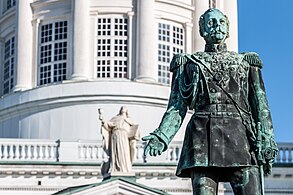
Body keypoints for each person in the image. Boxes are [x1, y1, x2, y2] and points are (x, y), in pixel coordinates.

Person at [142, 8, 278, 195]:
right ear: (202, 30)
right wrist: (162, 137)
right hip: (202, 137)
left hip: (240, 135)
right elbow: (177, 106)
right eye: (211, 23)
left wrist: (267, 141)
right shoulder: (189, 64)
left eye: (222, 23)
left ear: (228, 29)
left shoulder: (246, 63)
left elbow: (261, 106)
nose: (217, 27)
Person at [99, 106, 139, 177]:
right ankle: (116, 167)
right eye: (122, 108)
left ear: (127, 111)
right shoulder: (115, 118)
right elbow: (107, 125)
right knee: (116, 152)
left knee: (124, 152)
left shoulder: (129, 120)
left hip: (124, 136)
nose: (123, 109)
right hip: (116, 136)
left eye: (125, 108)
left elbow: (134, 129)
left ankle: (125, 168)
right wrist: (102, 120)